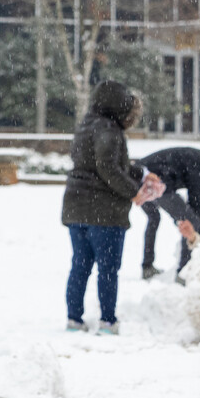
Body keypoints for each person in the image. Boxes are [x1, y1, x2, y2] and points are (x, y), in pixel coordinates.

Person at [62, 80, 164, 333]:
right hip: (103, 212)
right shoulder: (109, 130)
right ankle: (108, 320)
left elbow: (104, 165)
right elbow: (108, 169)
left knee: (80, 265)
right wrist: (135, 192)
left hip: (76, 207)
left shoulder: (85, 126)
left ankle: (74, 318)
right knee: (108, 269)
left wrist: (139, 173)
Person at [138, 146, 200, 279]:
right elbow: (196, 203)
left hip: (138, 177)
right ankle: (184, 273)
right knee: (190, 221)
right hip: (157, 182)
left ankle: (147, 266)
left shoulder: (198, 156)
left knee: (154, 217)